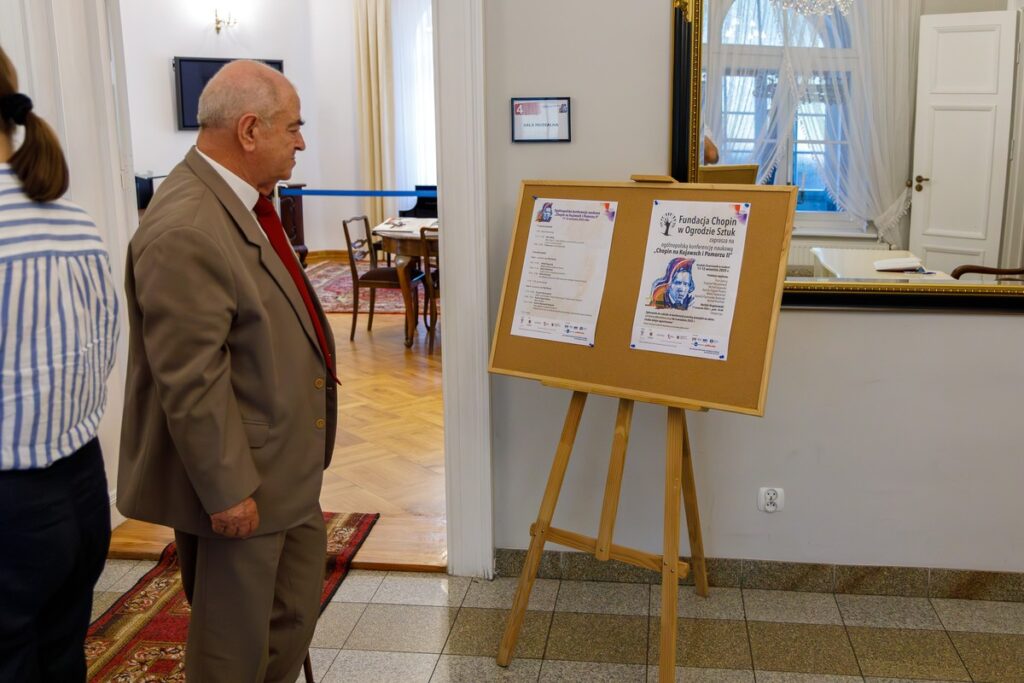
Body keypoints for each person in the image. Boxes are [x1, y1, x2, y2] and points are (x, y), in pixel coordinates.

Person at [117, 60, 338, 682]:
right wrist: (227, 490)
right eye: (293, 127)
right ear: (249, 129)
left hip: (283, 470)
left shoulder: (243, 204)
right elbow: (189, 377)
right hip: (243, 481)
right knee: (232, 651)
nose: (302, 141)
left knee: (287, 621)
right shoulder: (189, 224)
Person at [0, 45, 121, 682]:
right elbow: (102, 352)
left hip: (11, 504)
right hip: (78, 491)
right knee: (60, 655)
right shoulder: (74, 222)